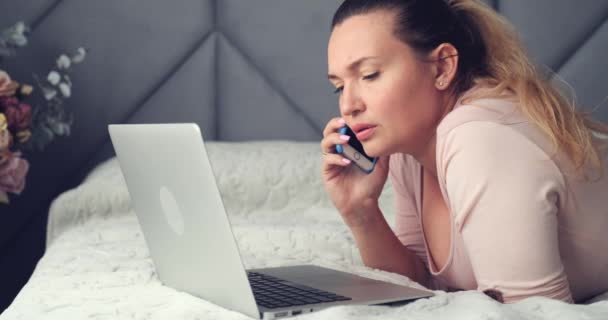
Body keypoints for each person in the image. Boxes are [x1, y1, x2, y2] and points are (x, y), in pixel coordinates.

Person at [320, 0, 608, 304]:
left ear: (443, 66)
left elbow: (535, 312)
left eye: (369, 75)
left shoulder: (479, 137)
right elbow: (417, 287)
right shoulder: (410, 148)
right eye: (339, 86)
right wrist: (361, 210)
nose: (348, 105)